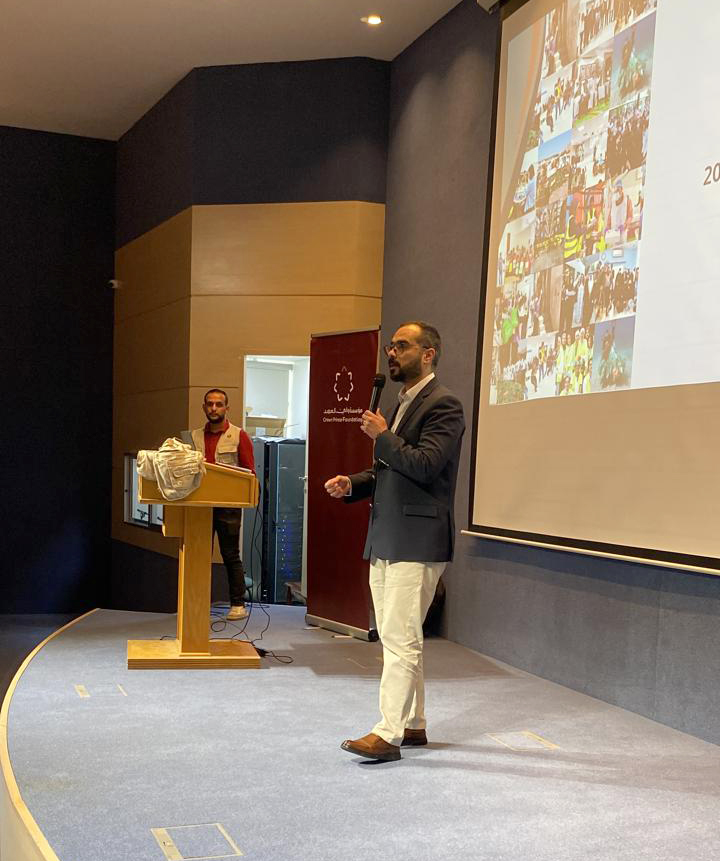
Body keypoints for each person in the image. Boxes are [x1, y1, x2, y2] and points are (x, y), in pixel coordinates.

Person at [324, 322, 465, 762]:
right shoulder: (400, 404)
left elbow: (425, 465)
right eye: (390, 346)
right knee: (397, 637)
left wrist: (382, 436)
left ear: (428, 354)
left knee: (401, 639)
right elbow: (391, 471)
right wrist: (355, 483)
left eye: (401, 346)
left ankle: (387, 734)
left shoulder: (444, 405)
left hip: (417, 539)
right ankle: (413, 723)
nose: (391, 353)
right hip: (387, 536)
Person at [191, 389, 255, 621]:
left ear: (227, 408)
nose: (214, 408)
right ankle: (196, 604)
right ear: (204, 407)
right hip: (199, 505)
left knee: (230, 554)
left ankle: (237, 604)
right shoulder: (194, 437)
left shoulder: (239, 436)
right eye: (210, 404)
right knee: (199, 554)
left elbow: (249, 474)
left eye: (219, 404)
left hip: (228, 505)